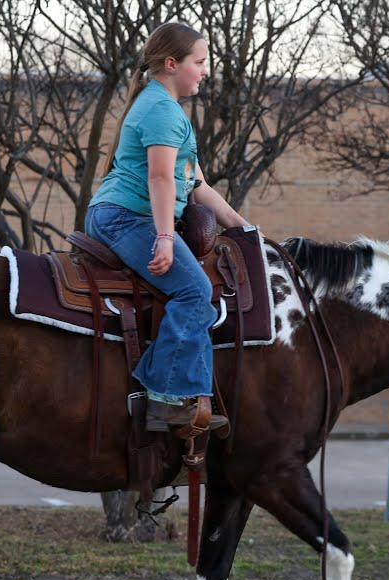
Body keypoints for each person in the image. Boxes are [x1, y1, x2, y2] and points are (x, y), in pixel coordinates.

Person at [85, 22, 251, 433]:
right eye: (200, 62)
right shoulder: (161, 110)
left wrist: (245, 229)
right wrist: (164, 237)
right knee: (194, 290)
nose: (206, 71)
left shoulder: (166, 108)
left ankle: (188, 394)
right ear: (172, 64)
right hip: (126, 217)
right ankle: (163, 397)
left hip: (130, 215)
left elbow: (197, 186)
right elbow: (159, 178)